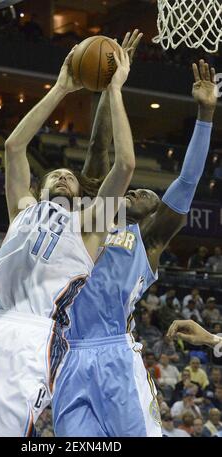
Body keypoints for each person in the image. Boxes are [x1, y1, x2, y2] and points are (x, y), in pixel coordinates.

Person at [0, 44, 135, 437]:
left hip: (34, 333)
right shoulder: (23, 208)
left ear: (79, 192)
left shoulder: (88, 224)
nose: (62, 176)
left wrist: (114, 91)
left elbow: (125, 165)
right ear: (40, 186)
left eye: (70, 176)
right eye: (54, 174)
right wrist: (61, 88)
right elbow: (13, 146)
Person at [53, 58, 217, 437]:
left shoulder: (147, 239)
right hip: (68, 354)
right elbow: (99, 149)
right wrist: (111, 88)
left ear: (151, 213)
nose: (139, 190)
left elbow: (188, 180)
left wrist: (205, 113)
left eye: (148, 194)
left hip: (116, 356)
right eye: (134, 188)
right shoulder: (94, 215)